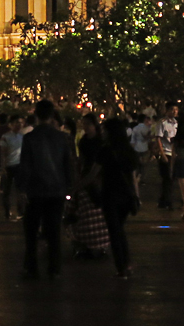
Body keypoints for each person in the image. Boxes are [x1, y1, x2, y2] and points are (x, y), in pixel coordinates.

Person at [18, 100, 75, 280]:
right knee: (54, 230)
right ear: (52, 116)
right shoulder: (62, 138)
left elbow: (25, 166)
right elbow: (68, 164)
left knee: (32, 229)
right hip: (56, 189)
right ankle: (54, 267)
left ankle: (31, 265)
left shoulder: (30, 137)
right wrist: (70, 187)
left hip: (36, 189)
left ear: (36, 115)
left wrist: (21, 190)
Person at [86, 119, 138, 278]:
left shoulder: (105, 150)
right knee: (119, 229)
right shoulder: (129, 150)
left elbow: (92, 174)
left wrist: (76, 187)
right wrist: (136, 196)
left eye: (104, 129)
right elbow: (133, 176)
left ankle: (122, 267)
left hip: (110, 194)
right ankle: (126, 263)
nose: (102, 132)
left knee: (114, 232)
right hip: (126, 196)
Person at [151, 102, 178, 209]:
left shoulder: (176, 123)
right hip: (166, 152)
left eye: (176, 109)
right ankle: (167, 201)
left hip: (174, 153)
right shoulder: (162, 123)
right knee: (167, 177)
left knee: (171, 178)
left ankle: (163, 200)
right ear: (167, 110)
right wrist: (162, 154)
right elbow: (158, 138)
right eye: (172, 109)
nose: (174, 112)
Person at [0, 114, 24, 221]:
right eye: (16, 123)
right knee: (7, 191)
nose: (19, 125)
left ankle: (20, 211)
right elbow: (3, 153)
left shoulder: (23, 137)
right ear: (11, 125)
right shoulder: (6, 137)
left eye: (20, 123)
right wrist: (3, 167)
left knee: (20, 190)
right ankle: (7, 211)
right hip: (9, 166)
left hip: (19, 166)